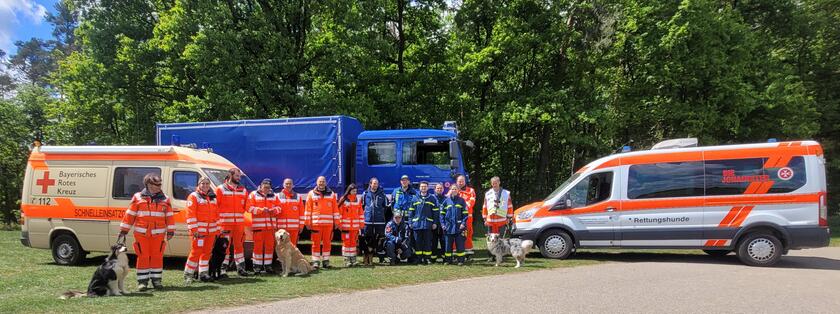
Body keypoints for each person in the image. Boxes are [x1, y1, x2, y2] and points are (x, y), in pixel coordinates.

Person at [118, 173, 174, 290]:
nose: (159, 186)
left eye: (160, 184)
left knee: (157, 256)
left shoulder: (165, 198)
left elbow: (169, 216)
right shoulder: (138, 197)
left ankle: (156, 280)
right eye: (157, 184)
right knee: (143, 256)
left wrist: (170, 230)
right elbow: (130, 215)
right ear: (148, 184)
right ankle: (142, 282)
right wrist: (124, 230)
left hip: (158, 234)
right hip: (141, 234)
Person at [184, 177, 221, 284]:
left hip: (211, 232)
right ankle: (188, 274)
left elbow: (217, 215)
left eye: (207, 183)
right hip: (199, 232)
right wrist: (194, 230)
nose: (205, 185)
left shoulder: (213, 198)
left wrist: (218, 230)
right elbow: (190, 214)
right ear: (198, 184)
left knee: (207, 253)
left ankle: (203, 274)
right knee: (196, 252)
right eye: (203, 183)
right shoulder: (193, 196)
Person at [215, 168, 251, 277]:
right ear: (230, 175)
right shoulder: (220, 189)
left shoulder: (243, 190)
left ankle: (241, 268)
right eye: (237, 176)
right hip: (225, 224)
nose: (239, 178)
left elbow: (248, 206)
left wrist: (260, 209)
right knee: (225, 247)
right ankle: (222, 269)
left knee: (239, 246)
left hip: (239, 224)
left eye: (239, 176)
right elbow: (215, 207)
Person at [305, 176, 340, 269]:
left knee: (327, 243)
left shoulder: (331, 194)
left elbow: (335, 209)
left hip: (328, 224)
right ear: (317, 182)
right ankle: (315, 261)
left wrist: (337, 222)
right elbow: (308, 209)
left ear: (326, 182)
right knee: (315, 243)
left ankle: (326, 261)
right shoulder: (311, 194)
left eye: (323, 181)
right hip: (316, 224)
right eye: (320, 181)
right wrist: (307, 222)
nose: (321, 183)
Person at [247, 179, 280, 274]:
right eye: (265, 187)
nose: (266, 189)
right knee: (258, 247)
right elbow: (249, 208)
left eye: (268, 187)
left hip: (270, 227)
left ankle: (268, 266)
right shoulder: (253, 194)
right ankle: (257, 267)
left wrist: (273, 210)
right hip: (258, 227)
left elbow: (279, 208)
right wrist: (261, 210)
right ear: (260, 186)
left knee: (269, 247)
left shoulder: (274, 196)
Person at [407, 181, 439, 264]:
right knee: (417, 242)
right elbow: (411, 212)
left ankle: (427, 258)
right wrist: (410, 222)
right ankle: (419, 258)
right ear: (419, 188)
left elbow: (435, 212)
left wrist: (435, 223)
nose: (423, 188)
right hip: (417, 224)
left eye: (425, 186)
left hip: (428, 224)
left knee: (427, 242)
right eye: (422, 186)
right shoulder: (414, 198)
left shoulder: (432, 198)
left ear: (427, 188)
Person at [362, 177, 388, 265]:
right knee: (367, 240)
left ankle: (381, 258)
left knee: (379, 240)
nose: (375, 185)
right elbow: (362, 206)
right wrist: (367, 214)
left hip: (379, 222)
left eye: (377, 183)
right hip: (368, 221)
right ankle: (366, 258)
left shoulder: (382, 194)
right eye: (374, 183)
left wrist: (380, 214)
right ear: (370, 184)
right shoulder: (365, 194)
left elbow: (386, 207)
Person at [440, 185, 468, 265]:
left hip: (459, 227)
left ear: (458, 190)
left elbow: (465, 214)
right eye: (452, 189)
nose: (454, 190)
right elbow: (441, 214)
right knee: (448, 245)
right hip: (448, 227)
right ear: (450, 190)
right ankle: (448, 260)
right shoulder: (446, 201)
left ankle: (461, 261)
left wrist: (463, 223)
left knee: (460, 245)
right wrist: (443, 224)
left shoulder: (462, 201)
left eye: (455, 189)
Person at [338, 183, 363, 267]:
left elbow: (360, 213)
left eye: (356, 191)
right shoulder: (343, 200)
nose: (355, 192)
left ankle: (353, 259)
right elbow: (339, 213)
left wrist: (361, 224)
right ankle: (346, 260)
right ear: (349, 191)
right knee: (346, 243)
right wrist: (339, 224)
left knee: (353, 243)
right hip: (345, 227)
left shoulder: (358, 200)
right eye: (353, 191)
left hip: (355, 227)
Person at [277, 178, 305, 246]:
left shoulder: (298, 197)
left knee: (292, 246)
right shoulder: (277, 196)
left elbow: (301, 213)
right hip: (281, 227)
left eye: (290, 184)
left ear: (293, 185)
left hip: (294, 228)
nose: (288, 185)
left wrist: (301, 226)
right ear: (283, 185)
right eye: (286, 184)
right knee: (281, 246)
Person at [456, 175, 477, 257]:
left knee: (467, 234)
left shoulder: (471, 190)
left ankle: (468, 253)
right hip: (456, 217)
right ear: (456, 182)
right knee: (456, 234)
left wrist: (461, 205)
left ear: (465, 182)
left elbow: (471, 202)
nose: (460, 183)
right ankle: (456, 253)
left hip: (467, 217)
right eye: (459, 181)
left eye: (462, 181)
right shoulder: (454, 190)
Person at [430, 183, 447, 262]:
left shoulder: (446, 199)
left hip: (443, 224)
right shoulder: (431, 198)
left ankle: (444, 258)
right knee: (434, 241)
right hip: (434, 223)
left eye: (441, 188)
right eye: (438, 188)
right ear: (435, 189)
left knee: (443, 241)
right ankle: (433, 258)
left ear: (443, 189)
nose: (439, 190)